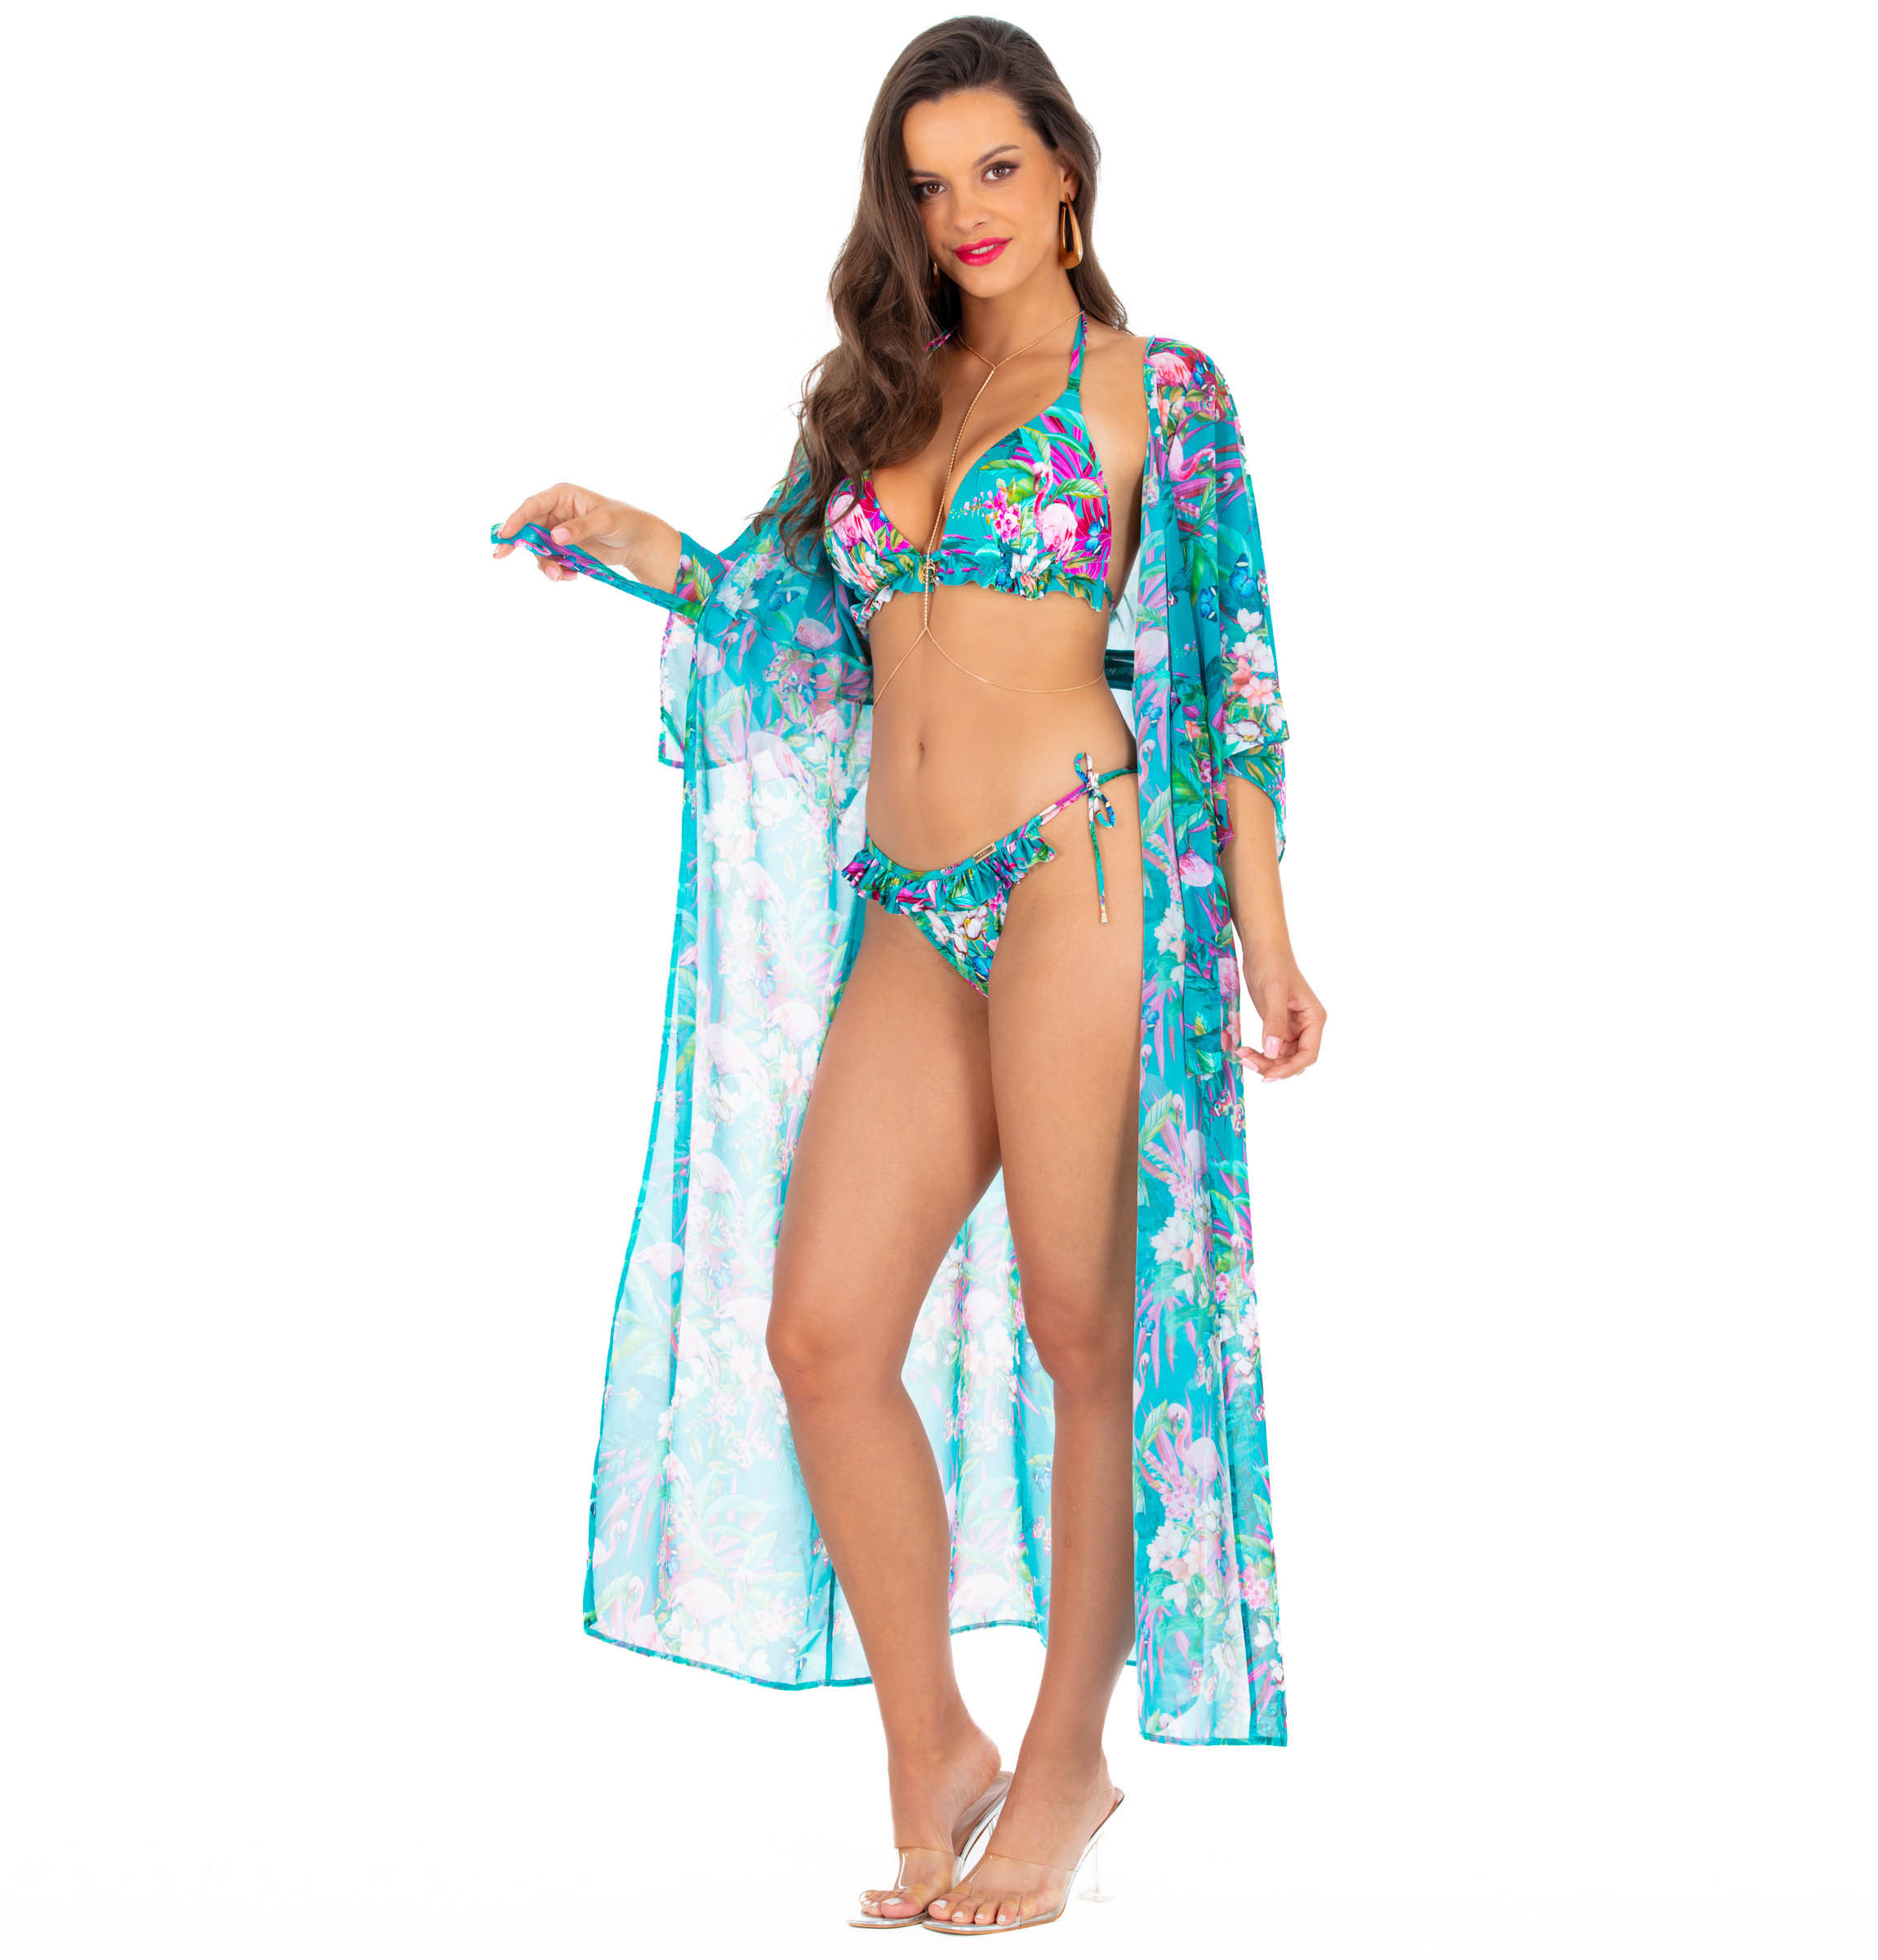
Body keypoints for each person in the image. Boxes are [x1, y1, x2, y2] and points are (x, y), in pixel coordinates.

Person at [492, 15, 1326, 1934]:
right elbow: (790, 631)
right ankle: (933, 1740)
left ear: (1067, 173)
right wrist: (633, 541)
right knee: (820, 1336)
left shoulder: (1156, 392)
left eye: (998, 169)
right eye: (931, 183)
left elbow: (1237, 679)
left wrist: (1270, 940)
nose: (966, 213)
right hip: (909, 898)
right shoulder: (876, 396)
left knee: (1082, 1326)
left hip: (1078, 866)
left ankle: (1065, 1765)